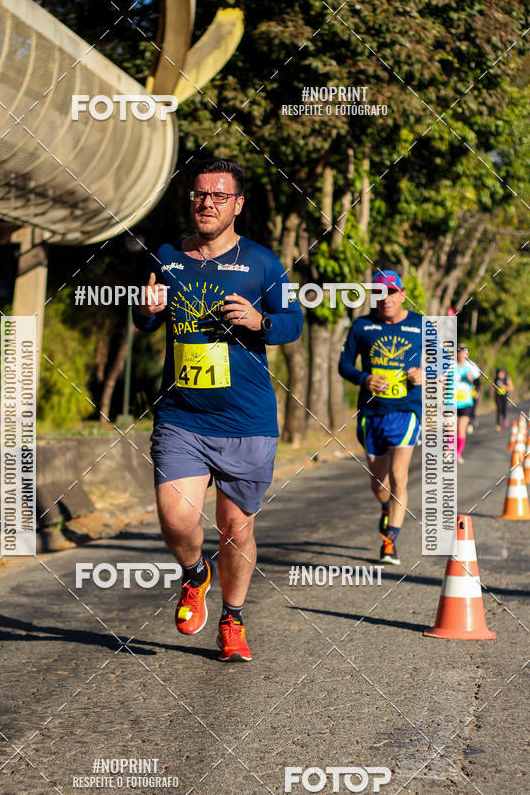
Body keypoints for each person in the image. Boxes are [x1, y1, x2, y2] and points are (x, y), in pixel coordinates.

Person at [133, 158, 303, 662]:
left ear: (238, 205)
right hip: (182, 413)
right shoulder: (167, 256)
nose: (206, 203)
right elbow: (144, 319)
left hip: (247, 419)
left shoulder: (263, 263)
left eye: (219, 196)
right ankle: (193, 574)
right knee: (176, 518)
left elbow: (293, 322)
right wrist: (145, 310)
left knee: (234, 527)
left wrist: (259, 321)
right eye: (200, 194)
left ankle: (233, 617)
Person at [338, 270, 423, 566]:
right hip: (371, 413)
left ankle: (390, 542)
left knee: (400, 476)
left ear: (401, 294)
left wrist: (425, 373)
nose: (385, 299)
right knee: (379, 483)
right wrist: (364, 379)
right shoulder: (362, 326)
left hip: (406, 411)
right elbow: (344, 365)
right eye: (378, 293)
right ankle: (387, 507)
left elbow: (443, 363)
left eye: (390, 292)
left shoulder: (421, 325)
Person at [455, 345, 477, 461]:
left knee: (461, 428)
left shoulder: (471, 366)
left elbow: (477, 381)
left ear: (467, 354)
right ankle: (449, 449)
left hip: (466, 402)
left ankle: (458, 453)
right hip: (452, 402)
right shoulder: (451, 366)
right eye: (459, 351)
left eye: (464, 352)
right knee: (450, 428)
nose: (461, 353)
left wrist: (471, 378)